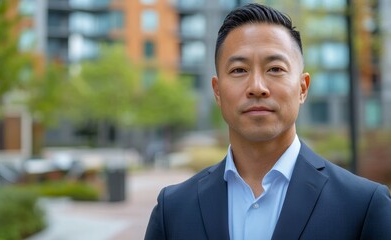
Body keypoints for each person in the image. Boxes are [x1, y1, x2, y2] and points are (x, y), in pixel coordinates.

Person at [145, 3, 391, 240]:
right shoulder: (173, 210)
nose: (257, 87)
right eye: (239, 70)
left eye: (275, 69)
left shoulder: (364, 206)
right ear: (217, 91)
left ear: (303, 88)